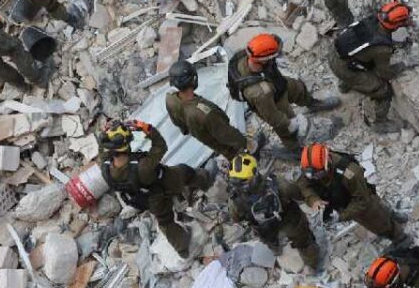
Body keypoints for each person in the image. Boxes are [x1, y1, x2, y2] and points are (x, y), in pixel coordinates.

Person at [99, 120, 213, 258]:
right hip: (163, 184)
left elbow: (102, 150)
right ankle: (206, 181)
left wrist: (105, 134)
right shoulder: (142, 167)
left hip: (143, 198)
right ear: (126, 145)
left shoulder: (105, 167)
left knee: (165, 221)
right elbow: (160, 146)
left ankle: (182, 249)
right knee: (185, 171)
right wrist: (148, 129)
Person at [226, 33, 339, 150]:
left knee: (298, 87)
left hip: (276, 82)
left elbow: (273, 42)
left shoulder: (252, 54)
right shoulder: (260, 92)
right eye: (274, 56)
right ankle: (293, 148)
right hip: (273, 101)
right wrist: (289, 124)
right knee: (285, 127)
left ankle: (313, 104)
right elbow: (272, 116)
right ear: (264, 60)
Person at [329, 1, 414, 132]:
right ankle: (381, 122)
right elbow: (384, 73)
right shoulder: (382, 47)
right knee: (384, 90)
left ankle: (344, 85)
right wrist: (401, 66)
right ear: (396, 25)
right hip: (345, 69)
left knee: (360, 60)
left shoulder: (372, 18)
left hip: (334, 54)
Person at [227, 153, 320, 270]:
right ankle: (313, 265)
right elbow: (296, 193)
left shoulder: (235, 201)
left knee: (270, 242)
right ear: (255, 173)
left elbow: (235, 218)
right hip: (290, 221)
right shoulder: (276, 183)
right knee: (305, 242)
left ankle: (277, 250)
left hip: (265, 230)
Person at [298, 143, 404, 240]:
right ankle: (391, 217)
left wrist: (341, 216)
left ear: (327, 164)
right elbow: (303, 184)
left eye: (318, 174)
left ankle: (400, 238)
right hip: (343, 198)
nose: (315, 178)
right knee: (380, 212)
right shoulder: (312, 167)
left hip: (361, 203)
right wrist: (314, 200)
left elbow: (362, 201)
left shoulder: (351, 173)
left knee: (378, 222)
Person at [164, 60, 248, 161]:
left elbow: (178, 123)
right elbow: (226, 134)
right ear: (192, 80)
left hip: (201, 134)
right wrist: (244, 142)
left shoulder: (170, 99)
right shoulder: (205, 113)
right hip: (224, 143)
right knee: (235, 153)